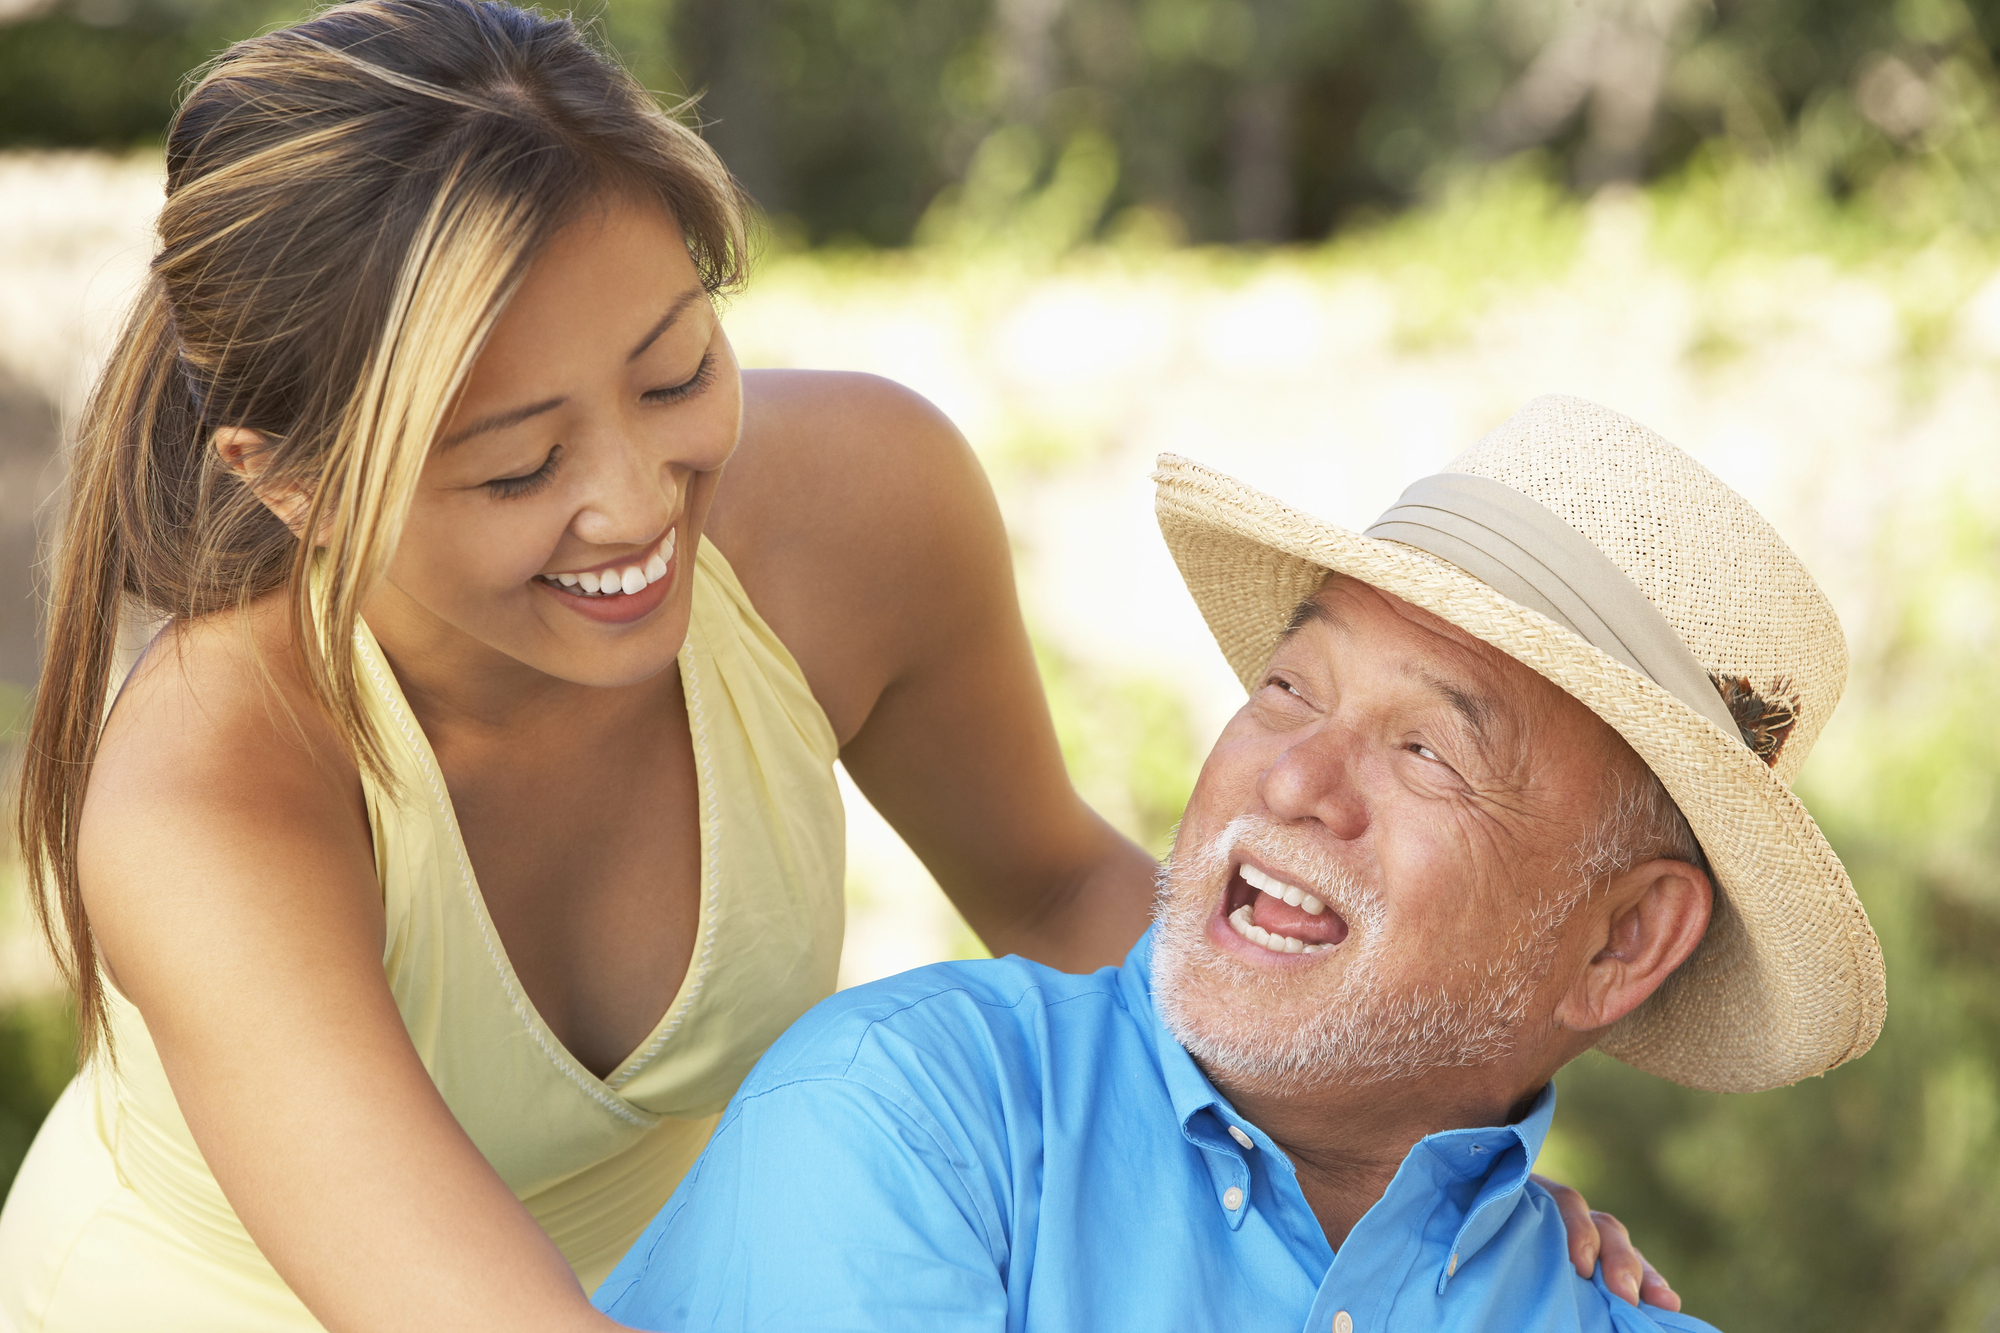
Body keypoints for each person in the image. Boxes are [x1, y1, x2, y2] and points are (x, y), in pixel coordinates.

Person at [0, 2, 1664, 1327]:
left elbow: (1065, 888)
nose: (637, 502)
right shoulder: (209, 794)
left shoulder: (859, 511)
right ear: (286, 480)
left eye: (674, 372)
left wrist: (1425, 1201)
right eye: (516, 466)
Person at [592, 396, 1888, 1333]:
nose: (1293, 780)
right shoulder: (912, 1118)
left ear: (1621, 943)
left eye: (1428, 750)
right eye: (1286, 686)